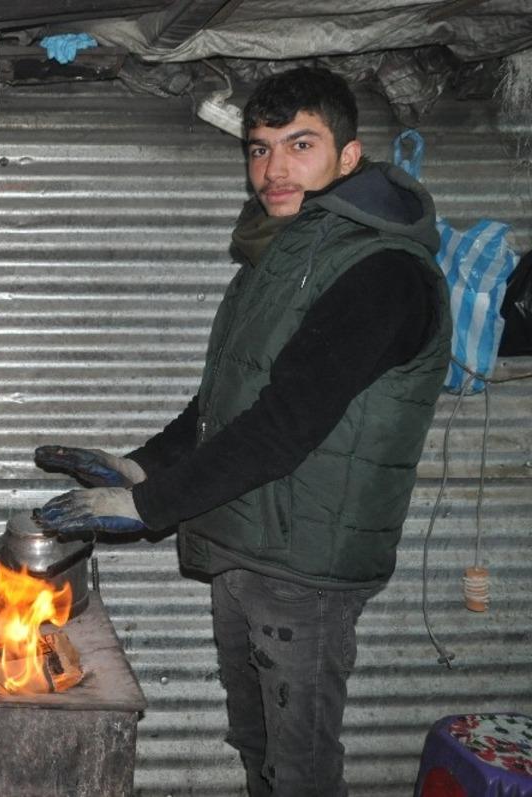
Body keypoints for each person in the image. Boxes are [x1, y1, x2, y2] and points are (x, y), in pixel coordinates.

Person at [34, 66, 451, 796]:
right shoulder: (281, 259)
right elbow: (223, 405)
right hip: (249, 543)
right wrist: (139, 468)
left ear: (349, 157)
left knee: (299, 772)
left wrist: (150, 506)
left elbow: (285, 425)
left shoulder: (382, 271)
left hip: (304, 567)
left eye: (300, 144)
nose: (274, 169)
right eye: (259, 149)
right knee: (256, 747)